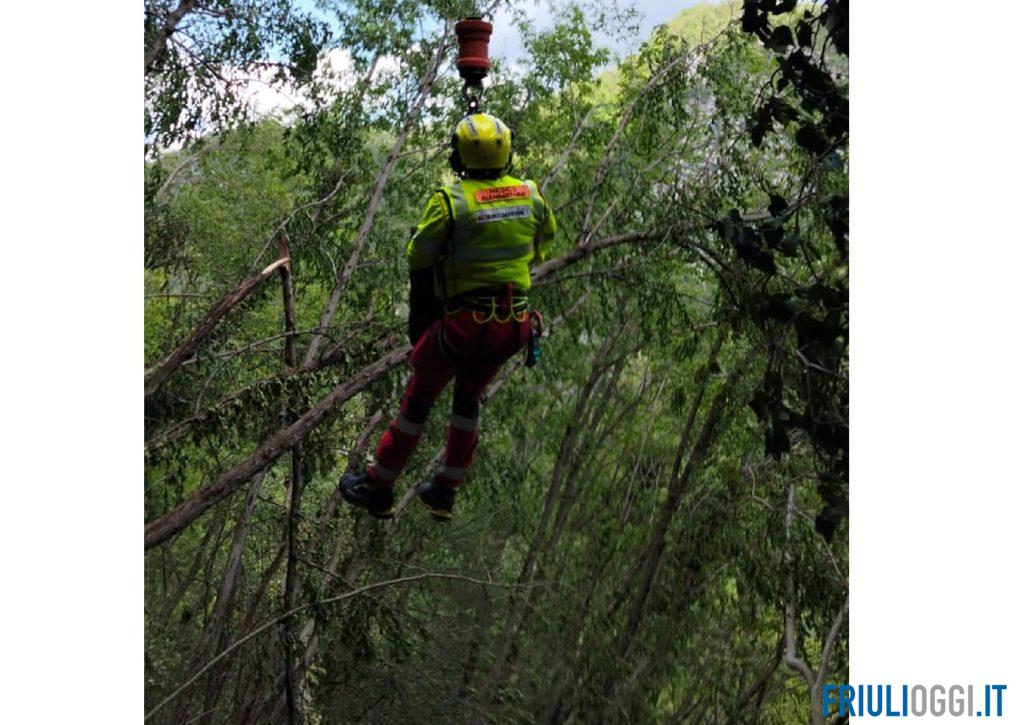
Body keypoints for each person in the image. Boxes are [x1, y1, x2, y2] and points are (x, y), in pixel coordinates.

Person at [339, 112, 557, 521]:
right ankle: (445, 491)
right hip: (513, 327)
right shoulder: (529, 194)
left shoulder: (451, 201)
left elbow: (417, 255)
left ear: (461, 157)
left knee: (418, 400)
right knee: (467, 400)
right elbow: (546, 238)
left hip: (465, 326)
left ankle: (379, 484)